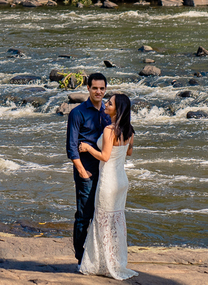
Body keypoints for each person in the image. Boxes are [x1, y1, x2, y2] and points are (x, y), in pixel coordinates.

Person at [77, 92, 137, 280]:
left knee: (102, 221)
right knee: (116, 222)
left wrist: (87, 148)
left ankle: (102, 264)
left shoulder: (110, 130)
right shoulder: (130, 130)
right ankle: (115, 261)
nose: (106, 104)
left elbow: (104, 156)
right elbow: (129, 153)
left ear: (117, 110)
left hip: (108, 181)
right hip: (121, 181)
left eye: (109, 103)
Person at [66, 73, 110, 265]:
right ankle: (80, 257)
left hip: (106, 171)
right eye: (95, 88)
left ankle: (97, 255)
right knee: (84, 215)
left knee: (102, 215)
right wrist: (82, 172)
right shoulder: (78, 113)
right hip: (87, 171)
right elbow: (71, 147)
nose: (98, 92)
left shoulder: (108, 112)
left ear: (105, 89)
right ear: (88, 89)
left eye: (101, 88)